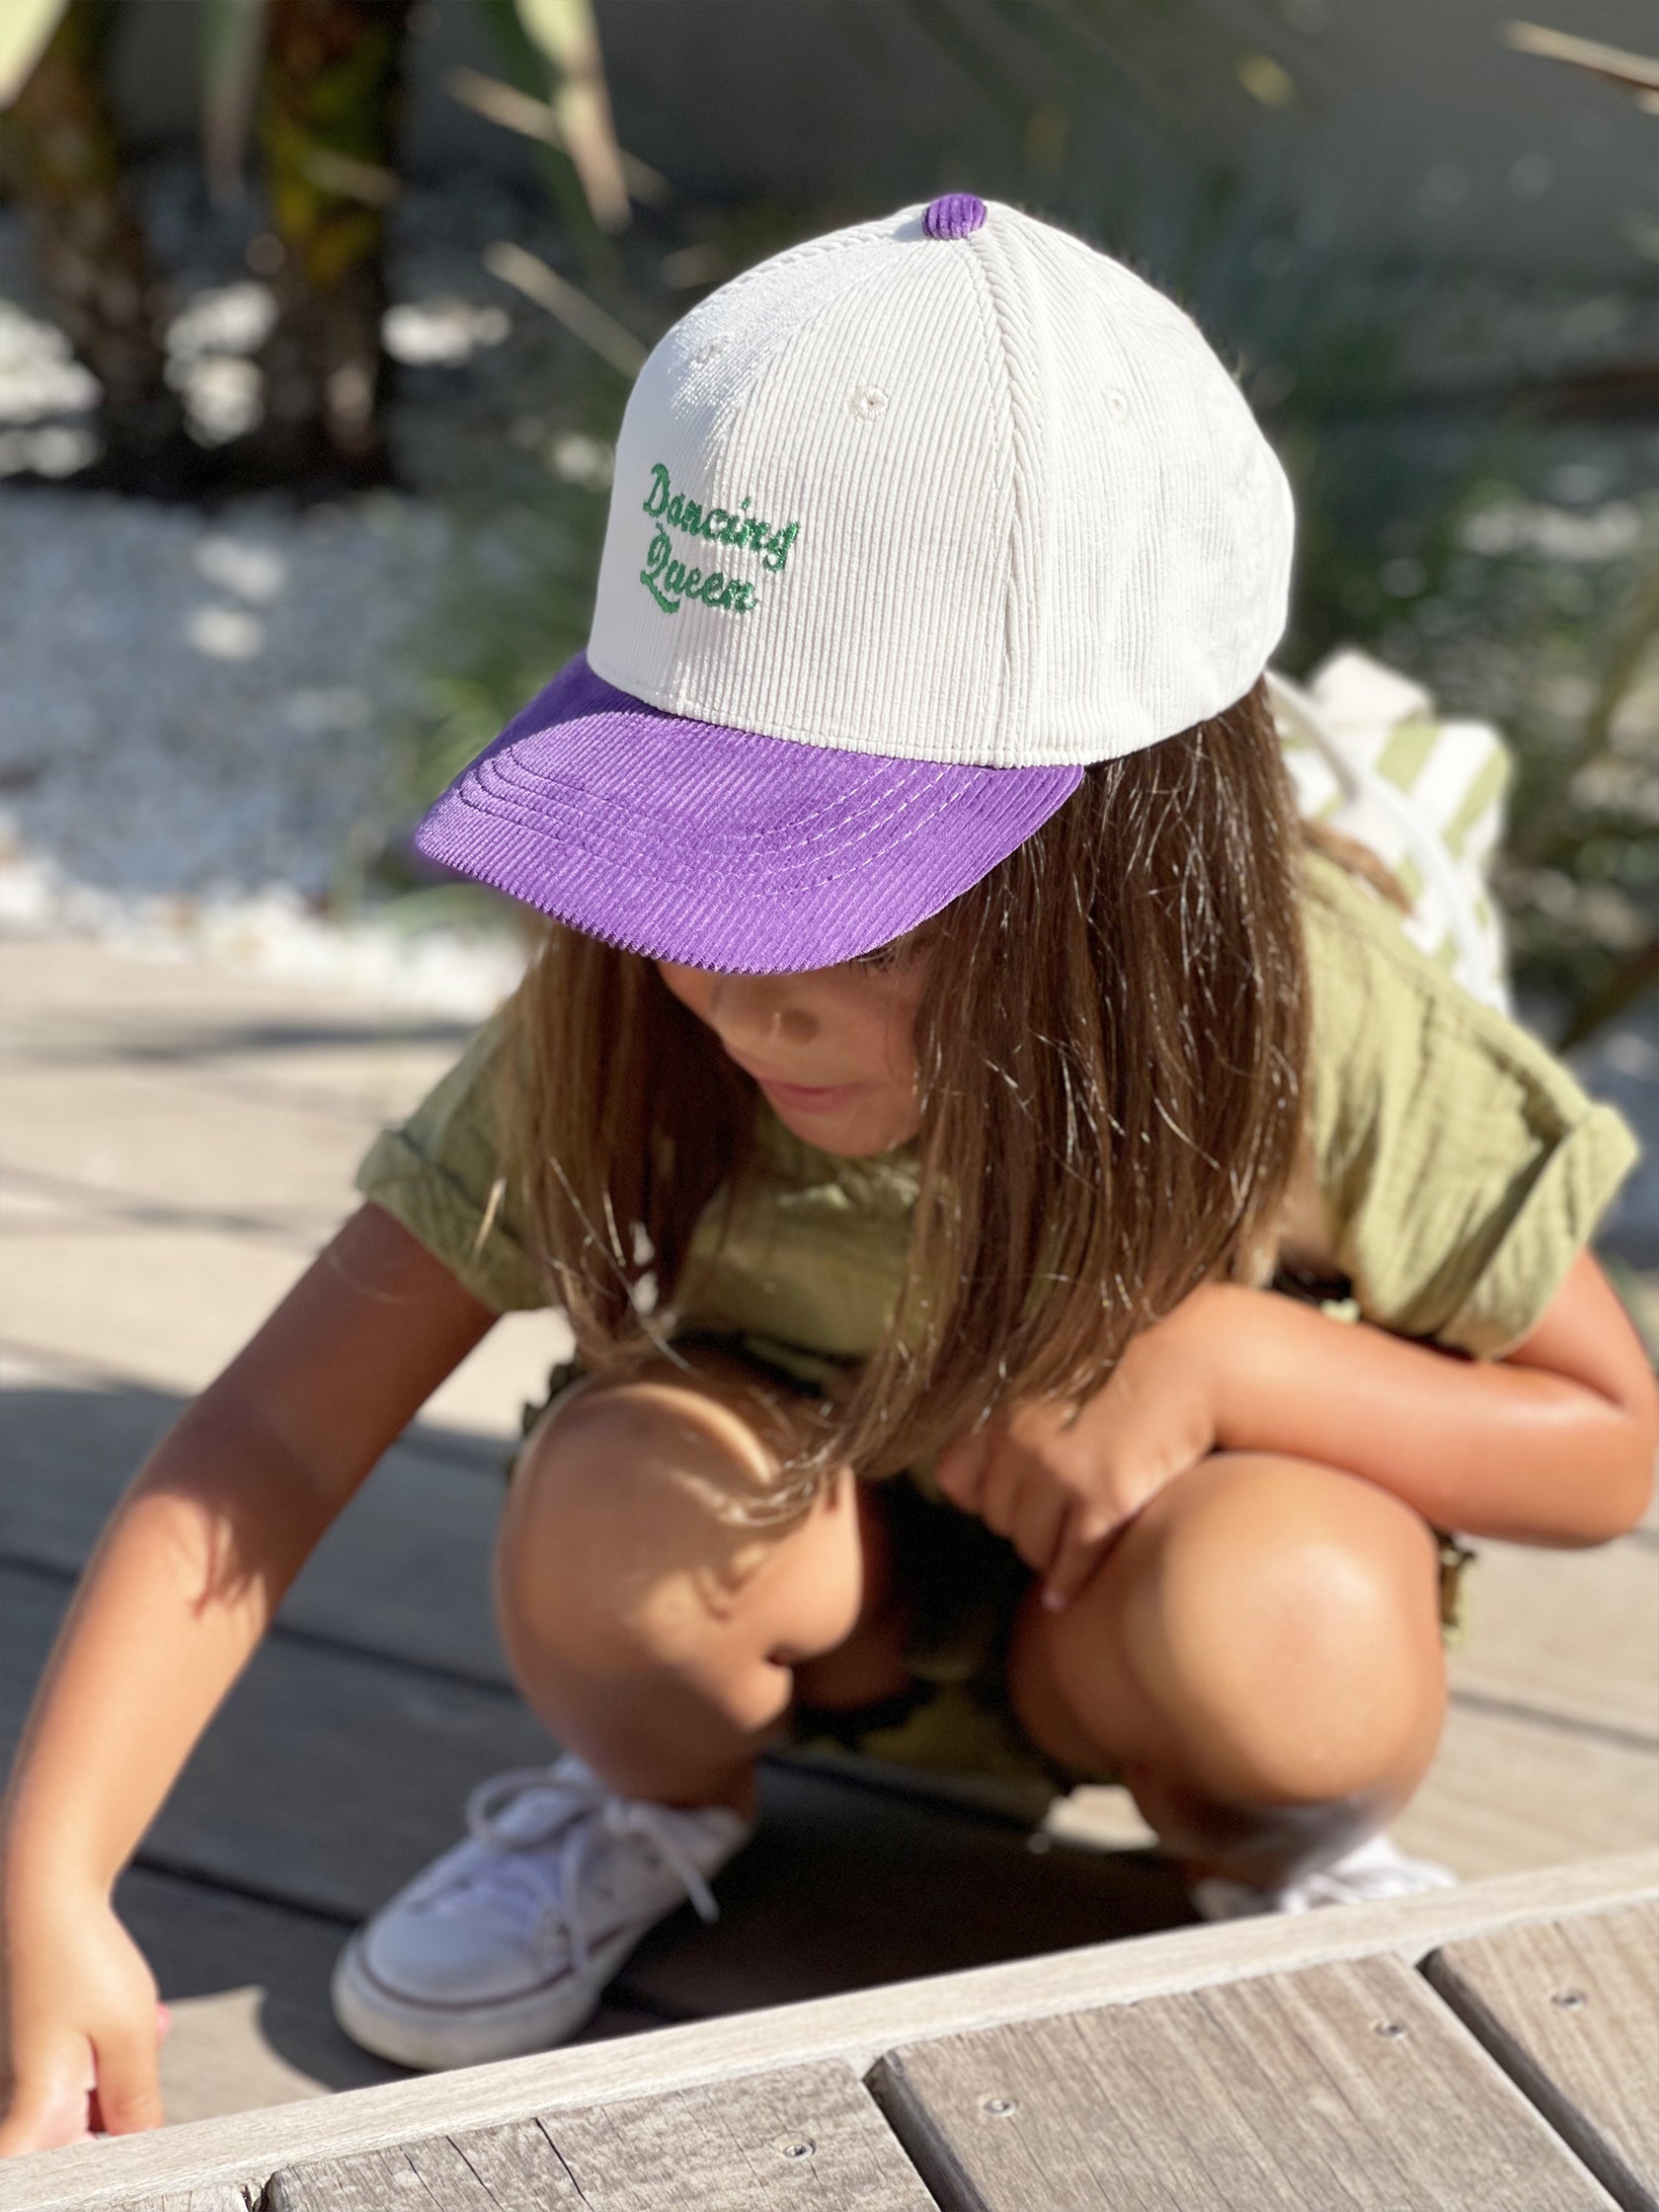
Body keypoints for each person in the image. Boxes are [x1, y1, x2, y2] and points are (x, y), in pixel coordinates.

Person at [1, 196, 1652, 2149]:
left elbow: (1606, 1443)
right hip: (802, 1584)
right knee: (615, 1510)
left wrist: (1227, 1364)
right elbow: (272, 1437)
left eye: (837, 895)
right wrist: (51, 1883)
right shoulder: (627, 1010)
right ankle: (659, 1800)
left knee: (1297, 1622)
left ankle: (1269, 1853)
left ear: (1122, 867)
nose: (725, 978)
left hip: (1146, 1606)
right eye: (675, 853)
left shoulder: (1316, 1016)